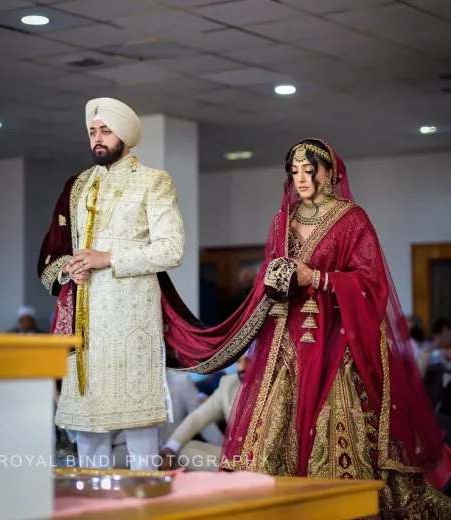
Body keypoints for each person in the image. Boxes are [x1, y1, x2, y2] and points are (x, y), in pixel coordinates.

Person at [161, 139, 451, 518]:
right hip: (286, 339)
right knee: (271, 431)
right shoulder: (282, 219)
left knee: (336, 419)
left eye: (309, 170)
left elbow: (371, 283)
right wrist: (276, 277)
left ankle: (338, 504)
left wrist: (316, 277)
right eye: (294, 172)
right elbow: (270, 271)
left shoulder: (352, 219)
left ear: (329, 172)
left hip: (335, 340)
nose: (301, 178)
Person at [38, 97, 185, 470]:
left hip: (131, 325)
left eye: (105, 131)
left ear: (127, 136)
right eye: (92, 132)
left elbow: (172, 249)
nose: (97, 139)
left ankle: (148, 508)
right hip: (85, 327)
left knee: (137, 432)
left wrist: (108, 258)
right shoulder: (77, 187)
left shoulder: (154, 181)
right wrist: (71, 269)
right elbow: (53, 254)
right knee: (88, 435)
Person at [112, 367, 223, 468]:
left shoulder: (181, 381)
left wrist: (224, 447)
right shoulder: (125, 380)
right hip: (126, 447)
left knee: (191, 462)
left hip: (170, 450)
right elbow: (114, 420)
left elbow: (199, 419)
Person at [159, 355, 247, 472]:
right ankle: (228, 479)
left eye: (248, 361)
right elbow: (197, 418)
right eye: (239, 362)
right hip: (234, 455)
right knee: (186, 449)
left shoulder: (272, 384)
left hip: (263, 456)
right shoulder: (228, 385)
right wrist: (170, 448)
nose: (242, 367)